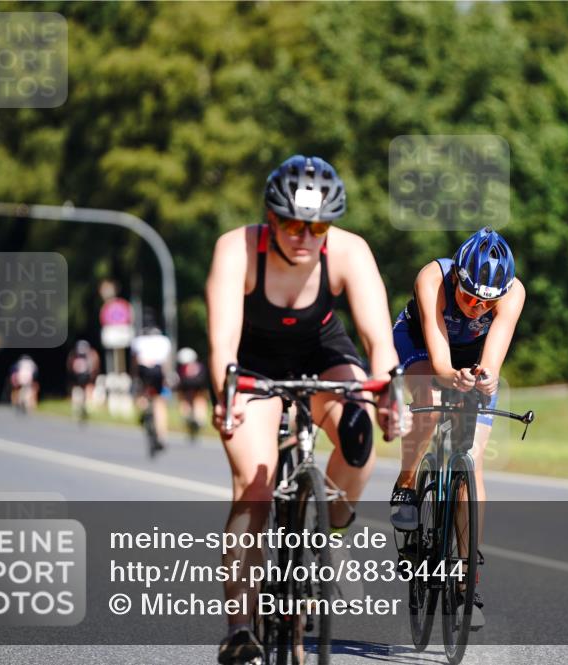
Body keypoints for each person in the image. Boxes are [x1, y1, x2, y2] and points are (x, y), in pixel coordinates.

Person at [206, 155, 403, 664]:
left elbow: (378, 339)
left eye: (317, 227)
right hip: (252, 364)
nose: (305, 237)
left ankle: (328, 532)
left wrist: (389, 393)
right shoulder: (236, 249)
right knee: (254, 488)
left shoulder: (349, 251)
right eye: (293, 224)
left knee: (359, 438)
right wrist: (227, 394)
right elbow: (222, 341)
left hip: (322, 354)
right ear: (271, 219)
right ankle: (240, 628)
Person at [389, 227, 525, 628]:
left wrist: (485, 380)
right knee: (430, 404)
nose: (477, 307)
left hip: (471, 355)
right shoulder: (432, 278)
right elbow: (439, 358)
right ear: (456, 279)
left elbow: (493, 360)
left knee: (471, 462)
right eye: (468, 296)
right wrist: (451, 376)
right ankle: (407, 482)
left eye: (488, 302)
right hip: (420, 344)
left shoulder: (513, 293)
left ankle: (466, 580)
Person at [130, 324, 172, 453]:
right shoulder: (164, 341)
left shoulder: (138, 341)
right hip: (158, 371)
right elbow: (166, 362)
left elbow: (135, 361)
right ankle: (162, 436)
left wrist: (134, 377)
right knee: (159, 402)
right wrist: (167, 378)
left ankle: (144, 411)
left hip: (143, 371)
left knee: (142, 394)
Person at [175, 347, 209, 440]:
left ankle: (188, 416)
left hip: (187, 386)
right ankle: (199, 419)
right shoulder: (200, 366)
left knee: (186, 400)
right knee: (199, 399)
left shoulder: (181, 368)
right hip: (198, 386)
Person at [67, 340, 101, 419]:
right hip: (84, 376)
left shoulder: (75, 354)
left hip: (81, 376)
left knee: (81, 391)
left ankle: (80, 409)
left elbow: (70, 364)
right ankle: (84, 409)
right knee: (84, 391)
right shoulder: (90, 354)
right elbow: (95, 364)